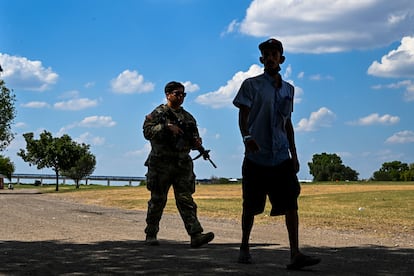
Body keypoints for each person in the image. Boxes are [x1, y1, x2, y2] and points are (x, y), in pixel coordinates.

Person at [233, 38, 321, 270]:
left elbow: (287, 122)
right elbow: (243, 114)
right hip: (256, 157)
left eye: (275, 54)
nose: (271, 57)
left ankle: (295, 253)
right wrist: (246, 137)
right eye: (267, 54)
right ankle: (244, 246)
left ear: (281, 59)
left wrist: (294, 153)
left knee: (291, 201)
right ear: (262, 60)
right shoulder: (250, 85)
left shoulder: (289, 89)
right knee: (250, 205)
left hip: (281, 156)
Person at [143, 81, 214, 248]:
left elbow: (192, 138)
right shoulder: (159, 113)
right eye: (177, 93)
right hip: (161, 164)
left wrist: (196, 144)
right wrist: (166, 127)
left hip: (182, 165)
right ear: (168, 95)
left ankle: (195, 235)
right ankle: (151, 233)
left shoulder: (188, 118)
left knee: (185, 199)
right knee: (158, 200)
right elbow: (147, 131)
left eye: (183, 94)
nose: (181, 97)